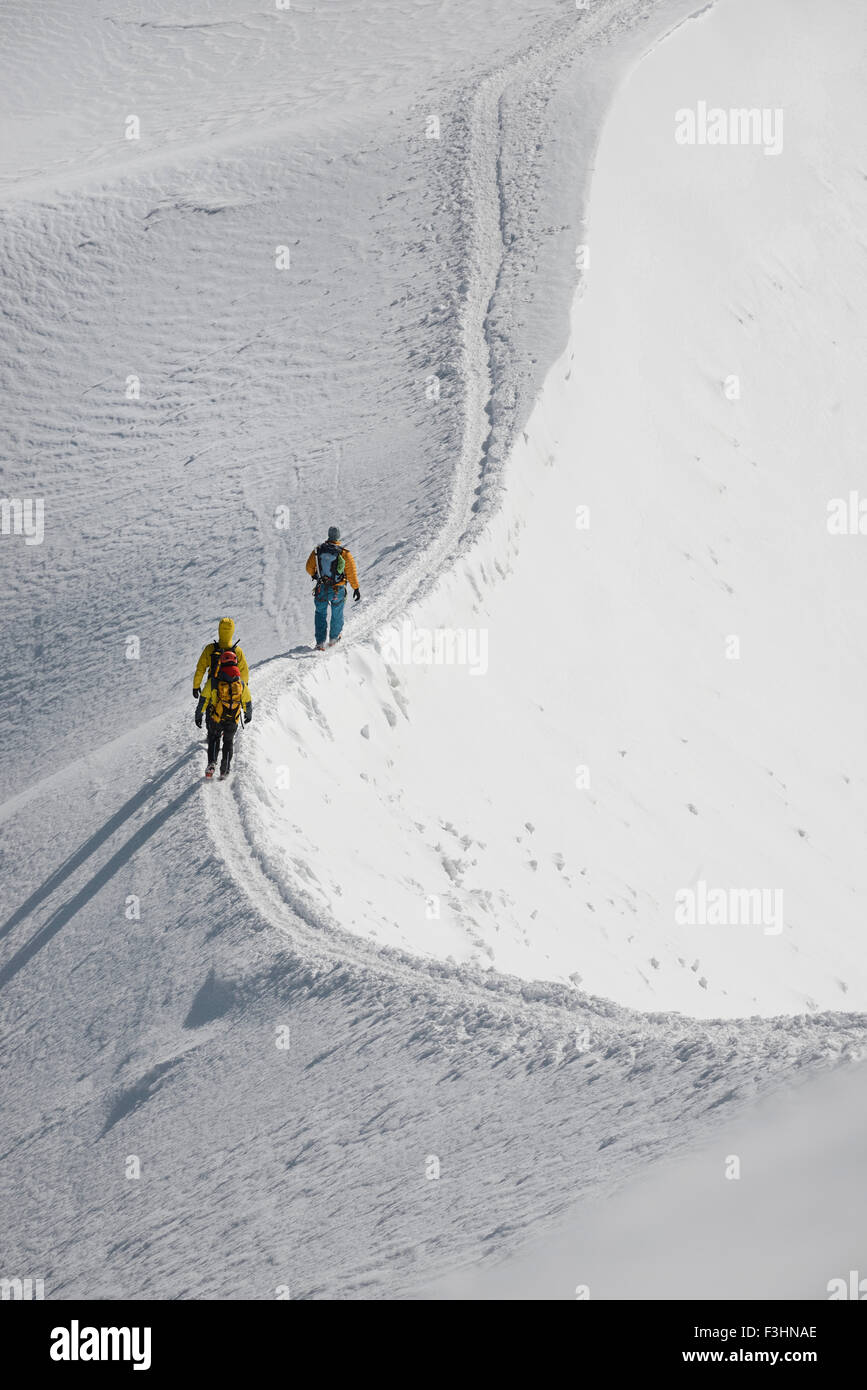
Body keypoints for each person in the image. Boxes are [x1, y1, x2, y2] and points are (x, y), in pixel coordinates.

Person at [195, 648, 252, 779]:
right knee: (228, 741)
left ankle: (212, 763)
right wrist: (248, 714)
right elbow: (247, 701)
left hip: (217, 717)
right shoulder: (241, 683)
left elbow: (203, 700)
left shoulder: (214, 681)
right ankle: (225, 768)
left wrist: (199, 715)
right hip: (233, 719)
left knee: (214, 738)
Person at [305, 526, 360, 650]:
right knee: (337, 614)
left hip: (321, 588)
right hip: (338, 589)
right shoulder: (344, 553)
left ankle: (320, 643)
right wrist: (356, 588)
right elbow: (351, 573)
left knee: (320, 614)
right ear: (338, 536)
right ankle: (334, 640)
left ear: (328, 535)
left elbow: (309, 567)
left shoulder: (318, 550)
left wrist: (315, 575)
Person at [193, 617, 249, 696]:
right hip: (232, 691)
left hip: (213, 689)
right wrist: (244, 686)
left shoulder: (210, 649)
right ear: (232, 631)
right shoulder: (237, 651)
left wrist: (196, 686)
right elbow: (244, 670)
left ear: (219, 631)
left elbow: (200, 669)